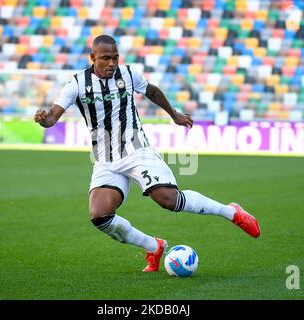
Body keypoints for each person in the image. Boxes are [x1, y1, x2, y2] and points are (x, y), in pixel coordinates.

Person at [34, 35, 260, 272]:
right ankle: (153, 246)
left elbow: (151, 91)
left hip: (137, 150)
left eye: (115, 58)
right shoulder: (77, 84)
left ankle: (231, 211)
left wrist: (174, 114)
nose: (112, 63)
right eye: (105, 58)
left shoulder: (129, 75)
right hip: (105, 160)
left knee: (168, 200)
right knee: (99, 216)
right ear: (93, 58)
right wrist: (44, 119)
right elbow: (53, 116)